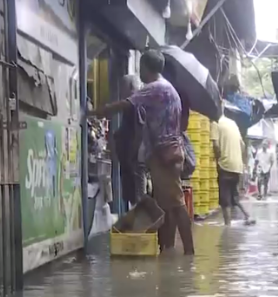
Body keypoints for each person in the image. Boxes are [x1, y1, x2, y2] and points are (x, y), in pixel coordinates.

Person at [91, 50, 194, 255]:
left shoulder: (155, 88)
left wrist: (97, 112)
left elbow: (125, 104)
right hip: (170, 152)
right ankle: (169, 250)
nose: (140, 73)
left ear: (146, 67)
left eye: (141, 68)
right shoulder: (169, 89)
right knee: (168, 205)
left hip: (164, 155)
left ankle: (189, 254)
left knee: (176, 203)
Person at [211, 112, 255, 226]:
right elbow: (243, 146)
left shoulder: (215, 123)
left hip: (225, 165)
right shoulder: (233, 124)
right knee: (234, 196)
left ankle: (228, 227)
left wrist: (218, 159)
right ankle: (248, 215)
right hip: (237, 166)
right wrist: (242, 162)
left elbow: (215, 145)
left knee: (225, 201)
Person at [113, 74, 147, 210]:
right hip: (131, 157)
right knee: (132, 193)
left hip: (134, 157)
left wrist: (133, 155)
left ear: (131, 87)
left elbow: (139, 130)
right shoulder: (132, 104)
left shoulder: (134, 103)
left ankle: (139, 224)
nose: (121, 91)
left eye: (123, 87)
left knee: (136, 194)